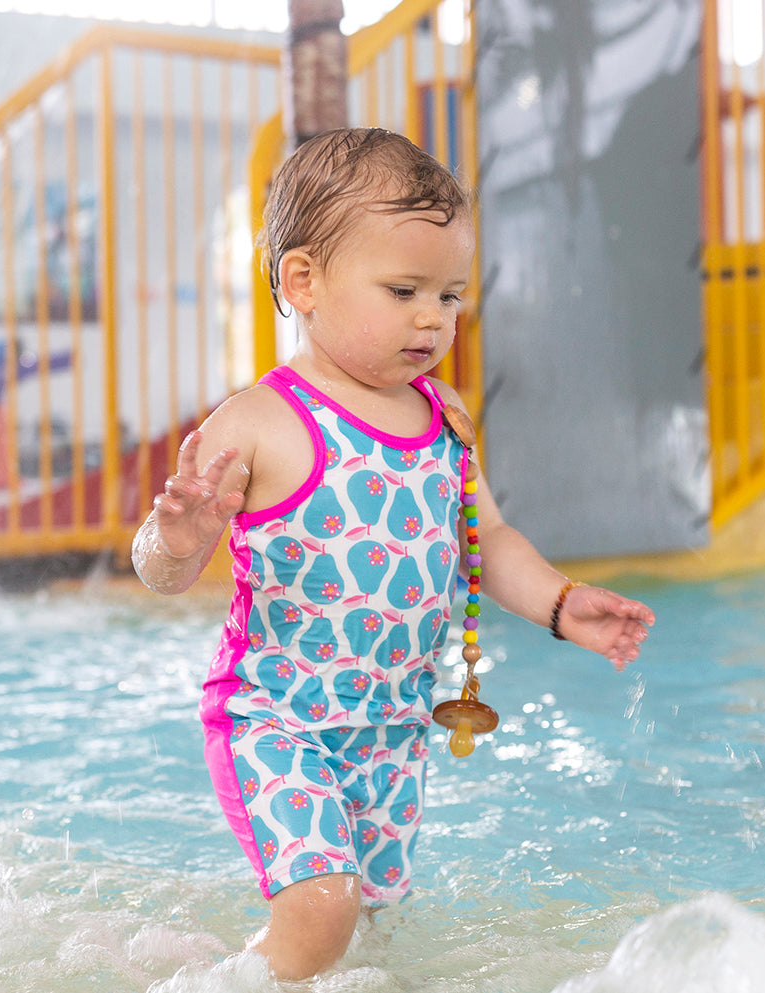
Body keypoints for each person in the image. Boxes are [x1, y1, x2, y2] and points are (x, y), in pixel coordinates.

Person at [132, 127, 655, 982]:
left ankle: (230, 968)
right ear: (303, 281)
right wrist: (178, 539)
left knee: (365, 928)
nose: (432, 317)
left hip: (391, 731)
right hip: (278, 716)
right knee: (322, 905)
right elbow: (159, 569)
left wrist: (561, 604)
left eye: (449, 295)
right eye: (403, 288)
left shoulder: (441, 418)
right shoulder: (260, 421)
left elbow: (483, 539)